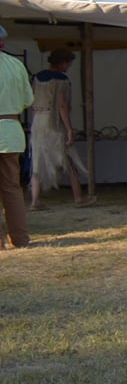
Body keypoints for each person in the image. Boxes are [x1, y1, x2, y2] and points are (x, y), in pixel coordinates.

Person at [28, 48, 90, 208]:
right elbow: (62, 105)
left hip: (37, 121)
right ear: (62, 62)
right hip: (53, 121)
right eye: (68, 63)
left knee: (37, 159)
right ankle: (78, 198)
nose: (68, 67)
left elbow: (30, 100)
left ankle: (35, 200)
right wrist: (69, 128)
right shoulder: (61, 80)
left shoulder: (36, 78)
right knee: (68, 157)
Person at [0, 24, 31, 249]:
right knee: (12, 189)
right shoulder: (16, 64)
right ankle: (19, 239)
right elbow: (28, 100)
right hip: (11, 131)